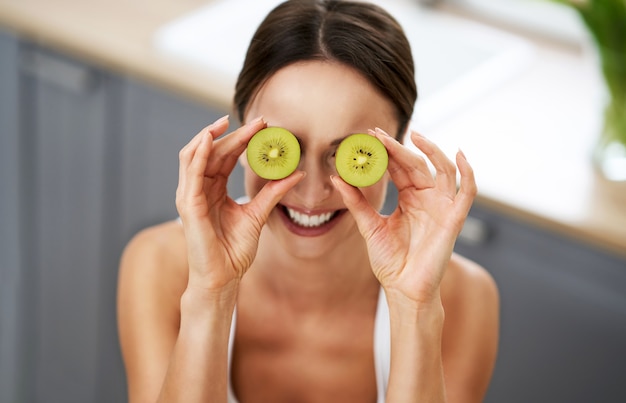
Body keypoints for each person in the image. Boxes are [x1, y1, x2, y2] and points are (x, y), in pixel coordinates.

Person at [117, 0, 499, 402]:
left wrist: (414, 308)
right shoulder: (160, 264)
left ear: (398, 147)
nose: (313, 192)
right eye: (285, 148)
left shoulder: (463, 296)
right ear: (243, 137)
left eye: (348, 153)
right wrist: (212, 293)